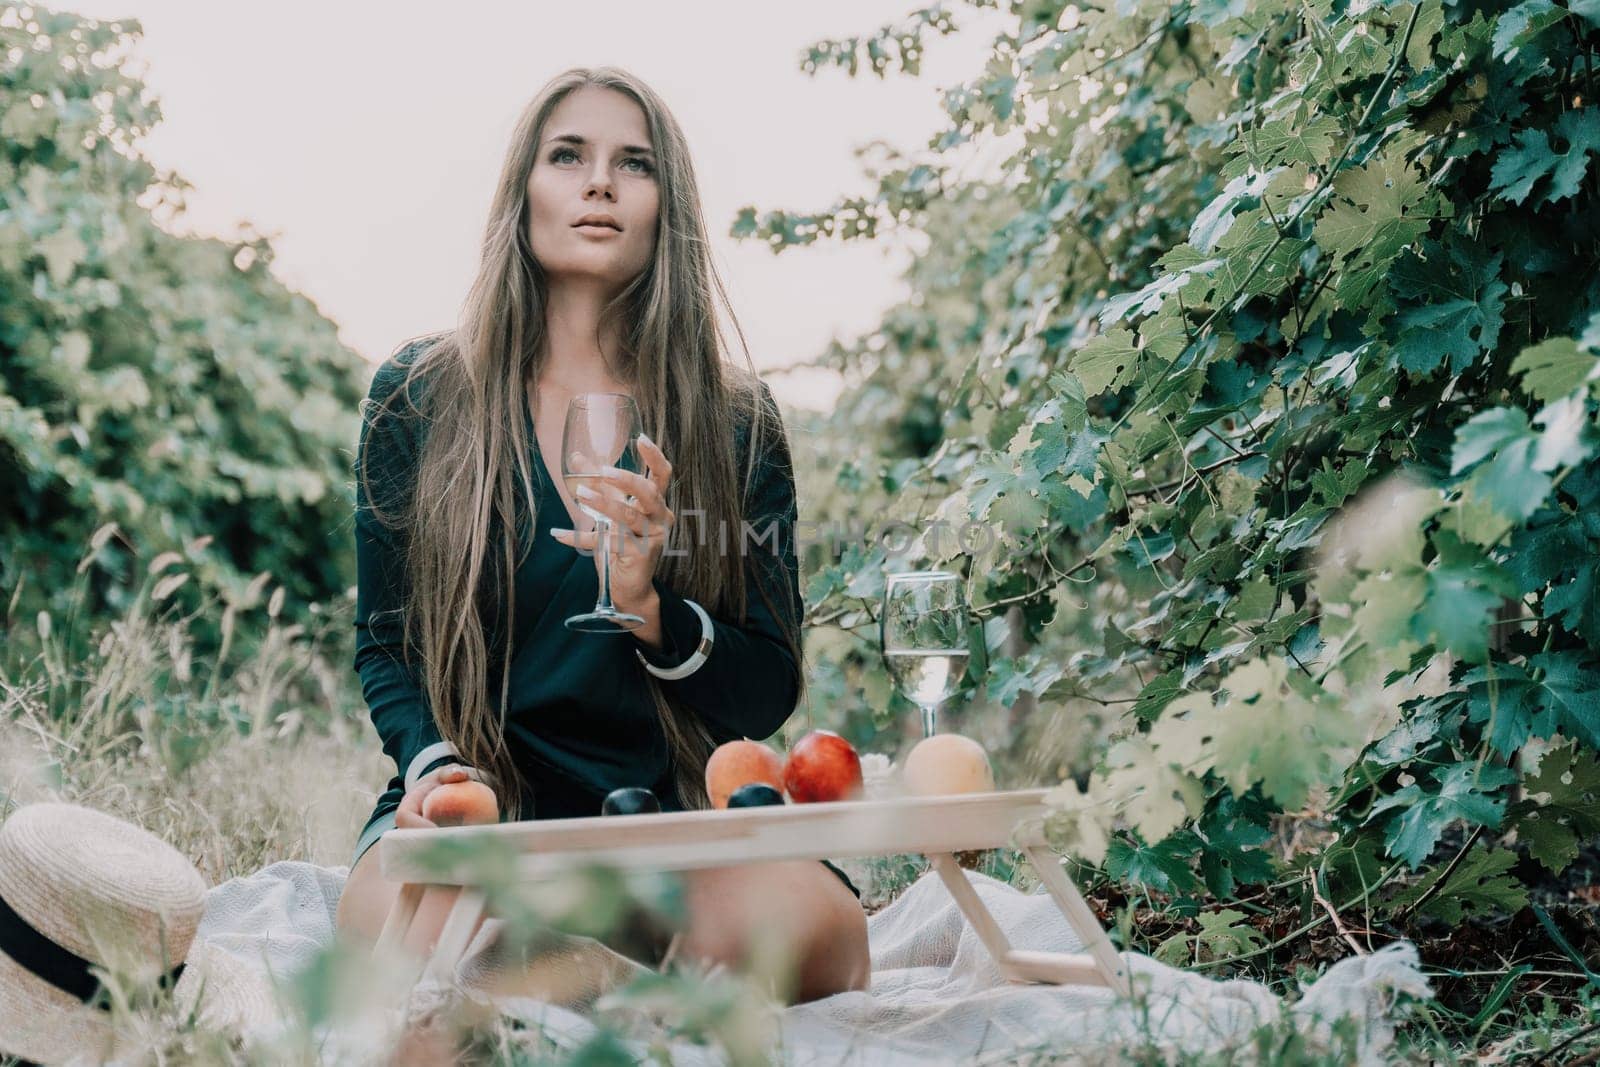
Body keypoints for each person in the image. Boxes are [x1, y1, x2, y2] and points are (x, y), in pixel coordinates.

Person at [333, 66, 871, 1006]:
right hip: (484, 802)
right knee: (396, 927)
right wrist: (436, 773)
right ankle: (601, 958)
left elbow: (768, 684)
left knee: (833, 948)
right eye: (567, 155)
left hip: (670, 815)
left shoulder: (736, 421)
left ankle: (584, 951)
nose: (599, 183)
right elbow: (386, 642)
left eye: (635, 162)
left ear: (669, 206)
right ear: (523, 192)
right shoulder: (418, 395)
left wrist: (652, 612)